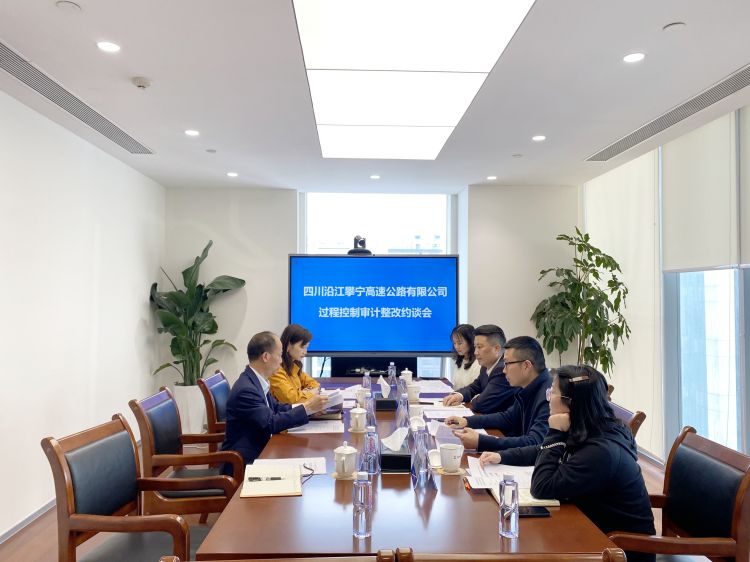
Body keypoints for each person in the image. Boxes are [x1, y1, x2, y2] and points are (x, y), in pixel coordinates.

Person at [479, 365, 655, 562]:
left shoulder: (601, 452)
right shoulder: (591, 426)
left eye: (552, 392)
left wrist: (555, 432)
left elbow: (542, 487)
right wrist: (503, 456)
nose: (548, 398)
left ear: (570, 402)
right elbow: (544, 451)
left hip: (618, 549)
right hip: (590, 528)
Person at [221, 331, 328, 467]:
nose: (281, 360)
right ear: (266, 357)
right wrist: (306, 408)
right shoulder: (246, 390)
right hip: (246, 461)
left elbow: (276, 407)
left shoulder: (256, 380)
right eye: (279, 355)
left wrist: (309, 410)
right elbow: (270, 423)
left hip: (262, 449)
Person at [447, 336, 550, 451]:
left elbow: (535, 442)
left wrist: (481, 441)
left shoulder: (550, 395)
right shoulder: (527, 386)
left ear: (526, 365)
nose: (504, 370)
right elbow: (508, 418)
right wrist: (467, 421)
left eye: (507, 364)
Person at [442, 324, 517, 414]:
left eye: (480, 347)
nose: (475, 352)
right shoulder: (486, 365)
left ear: (497, 348)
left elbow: (482, 404)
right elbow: (474, 387)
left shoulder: (502, 369)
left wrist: (476, 398)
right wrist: (459, 395)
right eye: (475, 347)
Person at [269, 324, 320, 404]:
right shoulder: (276, 370)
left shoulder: (294, 366)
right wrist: (310, 393)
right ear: (288, 345)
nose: (305, 352)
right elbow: (292, 400)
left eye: (306, 348)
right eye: (302, 347)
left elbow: (315, 385)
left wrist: (302, 394)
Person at [450, 324, 481, 389]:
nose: (456, 347)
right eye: (454, 343)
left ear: (471, 342)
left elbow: (476, 390)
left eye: (460, 343)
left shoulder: (478, 363)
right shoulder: (461, 360)